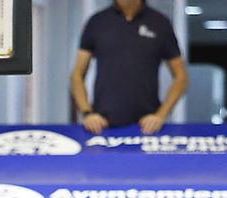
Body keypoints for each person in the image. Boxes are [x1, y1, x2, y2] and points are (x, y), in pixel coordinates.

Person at [72, 0, 189, 135]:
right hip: (102, 126)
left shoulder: (160, 23)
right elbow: (77, 75)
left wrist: (161, 115)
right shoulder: (97, 22)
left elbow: (181, 77)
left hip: (147, 128)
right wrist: (87, 113)